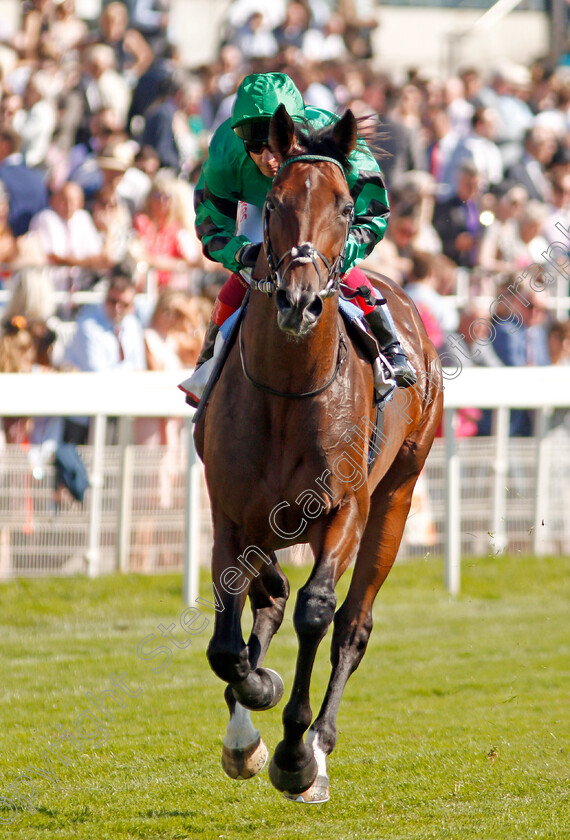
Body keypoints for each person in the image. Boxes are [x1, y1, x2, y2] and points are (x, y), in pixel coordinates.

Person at [184, 71, 416, 406]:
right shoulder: (225, 153)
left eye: (276, 140)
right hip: (259, 207)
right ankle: (208, 363)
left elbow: (374, 213)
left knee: (318, 260)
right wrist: (242, 255)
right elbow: (210, 228)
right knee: (247, 273)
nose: (268, 157)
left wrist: (334, 258)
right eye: (254, 143)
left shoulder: (338, 142)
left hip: (321, 208)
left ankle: (390, 346)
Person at [62, 267, 146, 443]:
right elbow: (99, 375)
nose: (117, 308)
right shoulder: (88, 325)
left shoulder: (132, 324)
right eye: (112, 301)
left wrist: (127, 372)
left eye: (124, 304)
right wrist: (129, 371)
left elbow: (140, 369)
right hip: (83, 414)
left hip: (118, 410)